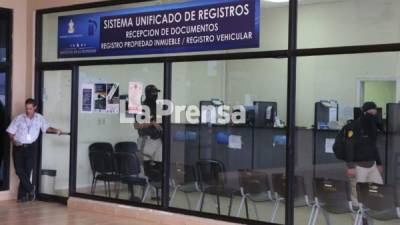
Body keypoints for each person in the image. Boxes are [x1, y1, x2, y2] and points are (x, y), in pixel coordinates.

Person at [6, 98, 62, 202]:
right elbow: (10, 131)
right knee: (19, 171)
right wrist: (13, 140)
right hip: (18, 147)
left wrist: (56, 130)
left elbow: (47, 128)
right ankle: (31, 188)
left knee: (27, 172)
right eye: (26, 108)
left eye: (30, 108)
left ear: (35, 108)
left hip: (31, 148)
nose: (28, 110)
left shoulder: (39, 118)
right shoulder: (19, 118)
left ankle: (22, 196)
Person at [347, 101, 384, 204]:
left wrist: (379, 163)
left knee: (377, 187)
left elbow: (373, 145)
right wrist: (350, 166)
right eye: (373, 110)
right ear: (366, 111)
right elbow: (348, 146)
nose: (375, 112)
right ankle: (358, 216)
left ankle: (369, 212)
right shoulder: (355, 126)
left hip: (372, 164)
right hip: (358, 165)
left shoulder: (372, 125)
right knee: (357, 193)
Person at [134, 85, 162, 162]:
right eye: (154, 92)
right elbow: (136, 126)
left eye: (156, 92)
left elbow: (160, 124)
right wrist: (152, 123)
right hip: (146, 140)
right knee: (145, 168)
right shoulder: (141, 107)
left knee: (158, 167)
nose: (156, 94)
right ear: (148, 93)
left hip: (158, 140)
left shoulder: (158, 107)